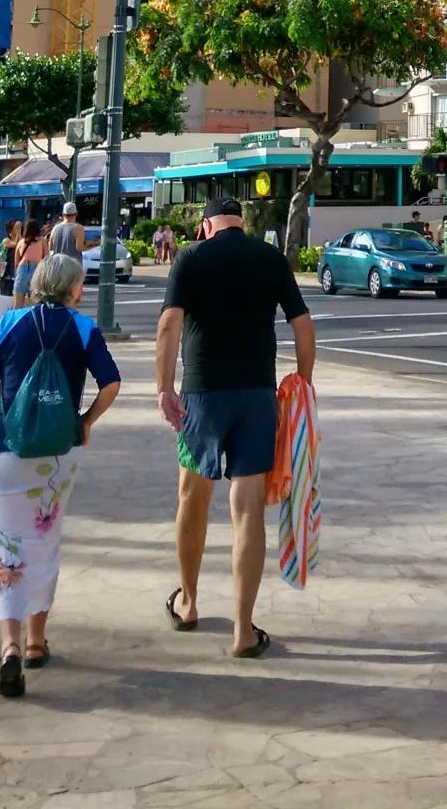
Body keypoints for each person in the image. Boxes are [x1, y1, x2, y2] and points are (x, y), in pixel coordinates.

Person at [155, 195, 316, 657]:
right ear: (240, 225)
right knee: (247, 511)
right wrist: (303, 383)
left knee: (193, 497)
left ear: (206, 226)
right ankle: (243, 631)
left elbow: (169, 325)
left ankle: (188, 602)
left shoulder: (191, 257)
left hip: (202, 398)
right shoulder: (269, 258)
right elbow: (303, 326)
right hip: (257, 397)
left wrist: (165, 387)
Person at [0, 251, 121, 699]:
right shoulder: (83, 328)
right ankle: (36, 641)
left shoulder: (10, 323)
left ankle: (9, 645)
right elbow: (111, 382)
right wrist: (86, 419)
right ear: (75, 289)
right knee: (44, 542)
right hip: (57, 453)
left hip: (3, 449)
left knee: (8, 549)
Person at [13, 219, 47, 305]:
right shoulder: (42, 241)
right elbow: (46, 259)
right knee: (35, 303)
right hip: (37, 269)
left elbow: (16, 262)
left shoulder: (21, 242)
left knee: (18, 304)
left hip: (22, 268)